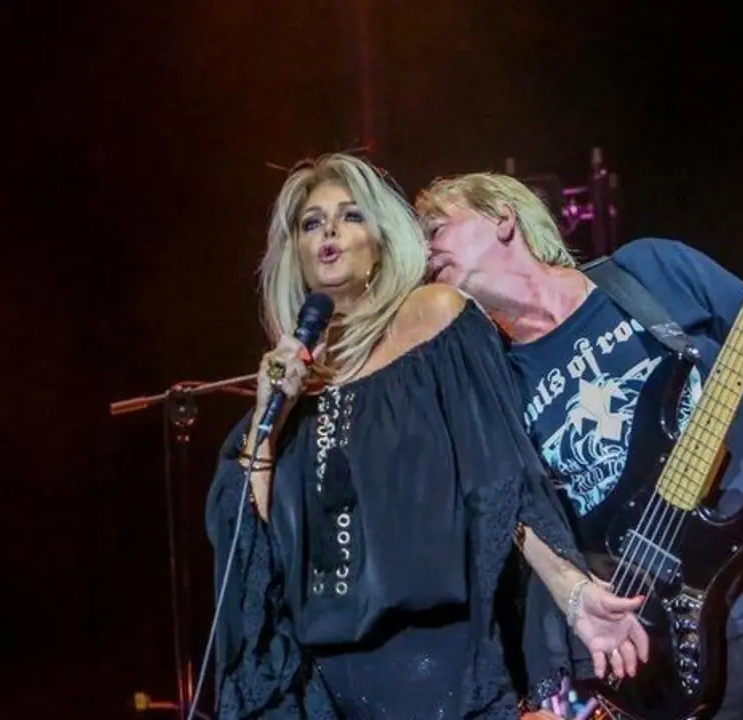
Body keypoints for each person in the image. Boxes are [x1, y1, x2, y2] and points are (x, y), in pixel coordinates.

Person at [415, 171, 743, 718]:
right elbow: (511, 515)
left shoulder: (647, 271)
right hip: (668, 664)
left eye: (436, 228)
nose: (425, 251)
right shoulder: (496, 385)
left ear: (502, 217)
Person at [203, 153, 649, 720]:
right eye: (311, 223)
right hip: (328, 691)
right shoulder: (289, 402)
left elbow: (499, 480)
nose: (329, 234)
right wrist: (269, 420)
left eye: (350, 216)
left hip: (441, 671)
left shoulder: (433, 320)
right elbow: (252, 558)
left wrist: (572, 591)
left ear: (383, 240)